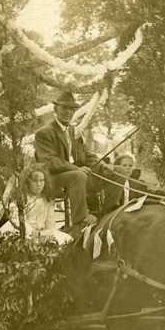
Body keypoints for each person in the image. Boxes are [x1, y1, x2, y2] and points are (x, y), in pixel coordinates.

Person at [34, 90, 101, 230]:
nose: (68, 112)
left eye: (72, 109)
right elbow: (50, 161)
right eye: (65, 108)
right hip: (51, 180)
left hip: (71, 176)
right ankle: (80, 221)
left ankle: (106, 213)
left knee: (110, 171)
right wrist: (76, 168)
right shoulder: (44, 133)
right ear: (55, 109)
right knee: (78, 175)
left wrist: (103, 165)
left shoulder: (72, 131)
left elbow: (87, 155)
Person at [0, 164, 72, 245]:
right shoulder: (21, 197)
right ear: (28, 182)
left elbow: (50, 223)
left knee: (66, 239)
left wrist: (46, 233)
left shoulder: (47, 199)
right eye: (35, 181)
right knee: (18, 241)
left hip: (41, 232)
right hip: (21, 230)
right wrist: (32, 232)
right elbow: (16, 219)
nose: (39, 184)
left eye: (41, 180)